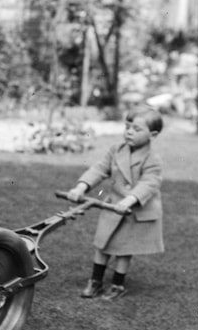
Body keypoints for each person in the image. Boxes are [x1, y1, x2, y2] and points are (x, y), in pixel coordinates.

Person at [66, 106, 165, 301]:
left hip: (135, 209)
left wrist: (130, 199)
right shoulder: (116, 150)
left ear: (152, 135)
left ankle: (118, 284)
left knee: (123, 249)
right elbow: (99, 169)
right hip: (113, 206)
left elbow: (149, 184)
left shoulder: (153, 159)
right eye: (127, 127)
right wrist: (81, 187)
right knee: (102, 244)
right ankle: (95, 281)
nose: (129, 132)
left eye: (136, 129)